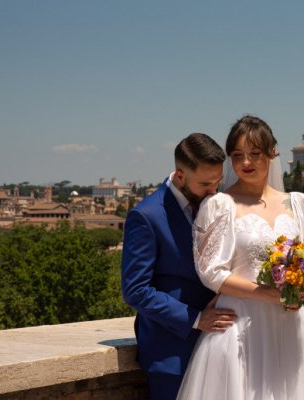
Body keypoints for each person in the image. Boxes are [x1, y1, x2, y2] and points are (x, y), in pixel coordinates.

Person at [177, 116, 304, 399]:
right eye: (237, 156)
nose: (246, 162)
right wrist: (270, 295)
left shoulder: (300, 203)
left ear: (272, 153)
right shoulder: (220, 205)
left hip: (289, 325)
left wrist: (300, 290)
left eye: (255, 154)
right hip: (237, 325)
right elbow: (212, 273)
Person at [121, 133, 237, 400]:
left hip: (219, 347)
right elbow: (135, 290)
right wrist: (197, 318)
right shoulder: (146, 215)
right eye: (206, 184)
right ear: (180, 176)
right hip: (171, 352)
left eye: (217, 181)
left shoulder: (215, 202)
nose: (214, 191)